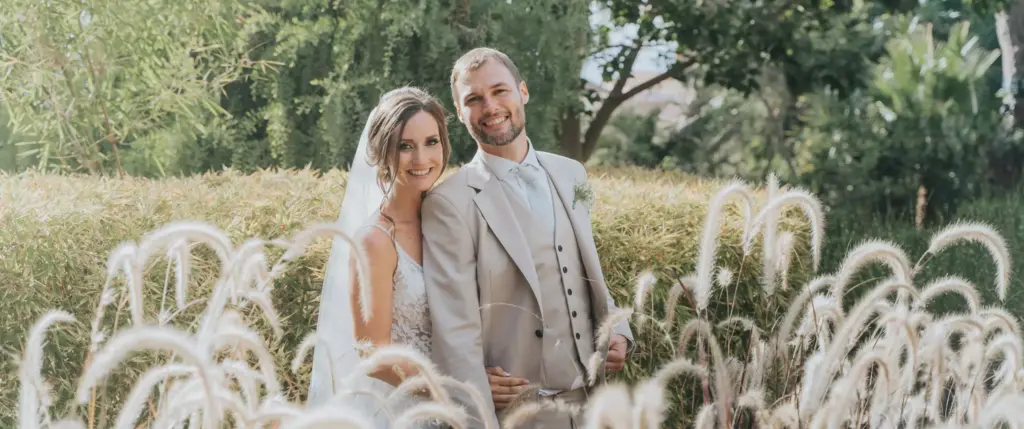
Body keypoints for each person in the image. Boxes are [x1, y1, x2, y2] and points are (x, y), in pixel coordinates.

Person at [421, 47, 634, 429]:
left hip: (595, 405)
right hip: (518, 415)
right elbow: (454, 324)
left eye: (500, 91)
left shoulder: (572, 174)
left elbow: (585, 270)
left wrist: (618, 331)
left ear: (523, 91)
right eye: (474, 99)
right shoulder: (448, 203)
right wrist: (471, 389)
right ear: (459, 112)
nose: (490, 106)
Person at [306, 87, 522, 428]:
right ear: (380, 151)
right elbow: (373, 354)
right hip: (410, 412)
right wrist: (464, 389)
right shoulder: (375, 241)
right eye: (405, 146)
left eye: (431, 142)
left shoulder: (455, 218)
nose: (421, 159)